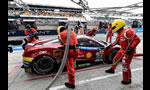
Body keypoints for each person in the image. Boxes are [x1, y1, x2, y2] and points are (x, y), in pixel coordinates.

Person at [105, 19, 140, 85]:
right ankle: (112, 69)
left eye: (113, 27)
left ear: (118, 25)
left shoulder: (127, 32)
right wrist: (110, 46)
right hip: (122, 49)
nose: (112, 28)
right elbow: (117, 42)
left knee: (126, 64)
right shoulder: (119, 33)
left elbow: (137, 40)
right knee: (115, 58)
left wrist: (131, 48)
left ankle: (128, 78)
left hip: (129, 50)